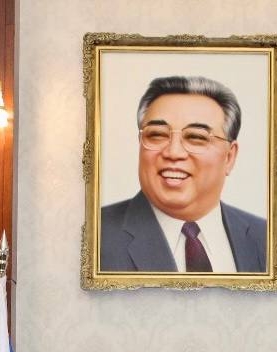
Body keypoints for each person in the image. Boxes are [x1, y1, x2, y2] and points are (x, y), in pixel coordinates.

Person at [99, 75, 267, 274]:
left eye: (196, 137)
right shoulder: (96, 234)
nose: (173, 152)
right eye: (157, 135)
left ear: (229, 157)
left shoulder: (266, 237)